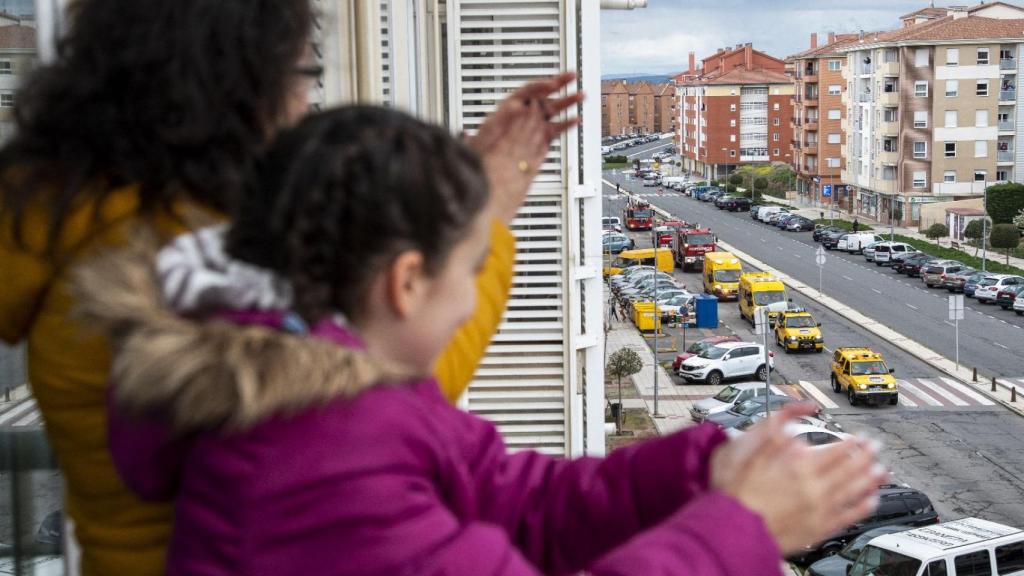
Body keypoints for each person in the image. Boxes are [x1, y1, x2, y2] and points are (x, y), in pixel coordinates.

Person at [78, 106, 887, 575]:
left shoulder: (332, 400)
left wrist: (700, 467)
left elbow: (516, 499)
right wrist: (742, 528)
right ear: (404, 284)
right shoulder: (317, 460)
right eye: (472, 263)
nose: (475, 294)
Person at [0, 1, 577, 572]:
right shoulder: (217, 258)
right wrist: (489, 214)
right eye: (304, 72)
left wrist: (454, 202)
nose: (305, 100)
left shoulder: (48, 214)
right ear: (242, 86)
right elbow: (377, 388)